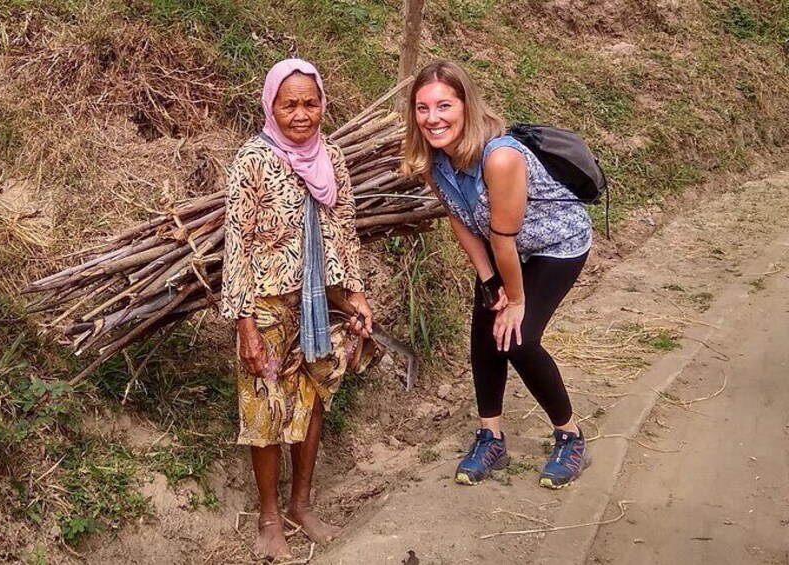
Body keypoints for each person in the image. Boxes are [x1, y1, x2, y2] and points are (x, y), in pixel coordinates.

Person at [403, 60, 592, 489]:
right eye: (422, 108)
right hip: (502, 248)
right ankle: (491, 436)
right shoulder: (434, 158)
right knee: (485, 332)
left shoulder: (500, 157)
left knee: (520, 340)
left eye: (444, 106)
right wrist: (490, 283)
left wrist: (516, 300)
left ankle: (570, 435)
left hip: (555, 245)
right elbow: (459, 219)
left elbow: (503, 237)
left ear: (466, 106)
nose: (433, 119)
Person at [222, 59, 375, 560]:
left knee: (311, 401)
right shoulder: (253, 160)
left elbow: (346, 230)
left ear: (323, 105)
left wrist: (355, 294)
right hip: (266, 306)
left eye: (311, 102)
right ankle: (269, 518)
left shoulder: (330, 155)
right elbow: (237, 246)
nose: (301, 114)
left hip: (320, 304)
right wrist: (244, 323)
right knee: (265, 408)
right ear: (271, 105)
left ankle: (301, 505)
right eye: (289, 104)